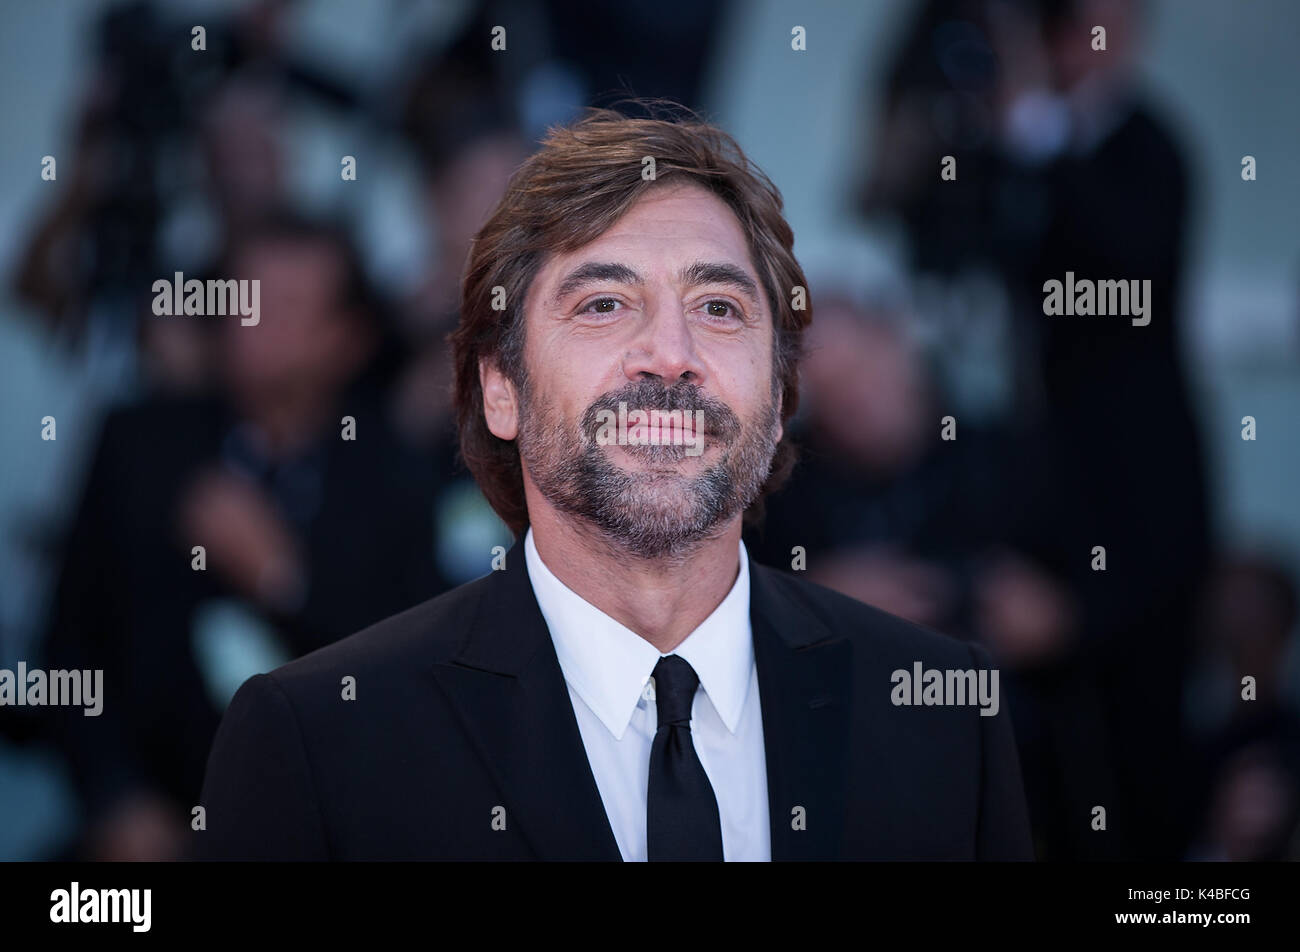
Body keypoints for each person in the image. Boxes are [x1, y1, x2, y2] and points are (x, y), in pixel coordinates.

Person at [193, 106, 1033, 861]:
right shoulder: (318, 739)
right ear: (501, 386)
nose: (670, 354)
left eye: (719, 309)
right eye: (602, 304)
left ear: (778, 398)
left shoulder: (943, 716)